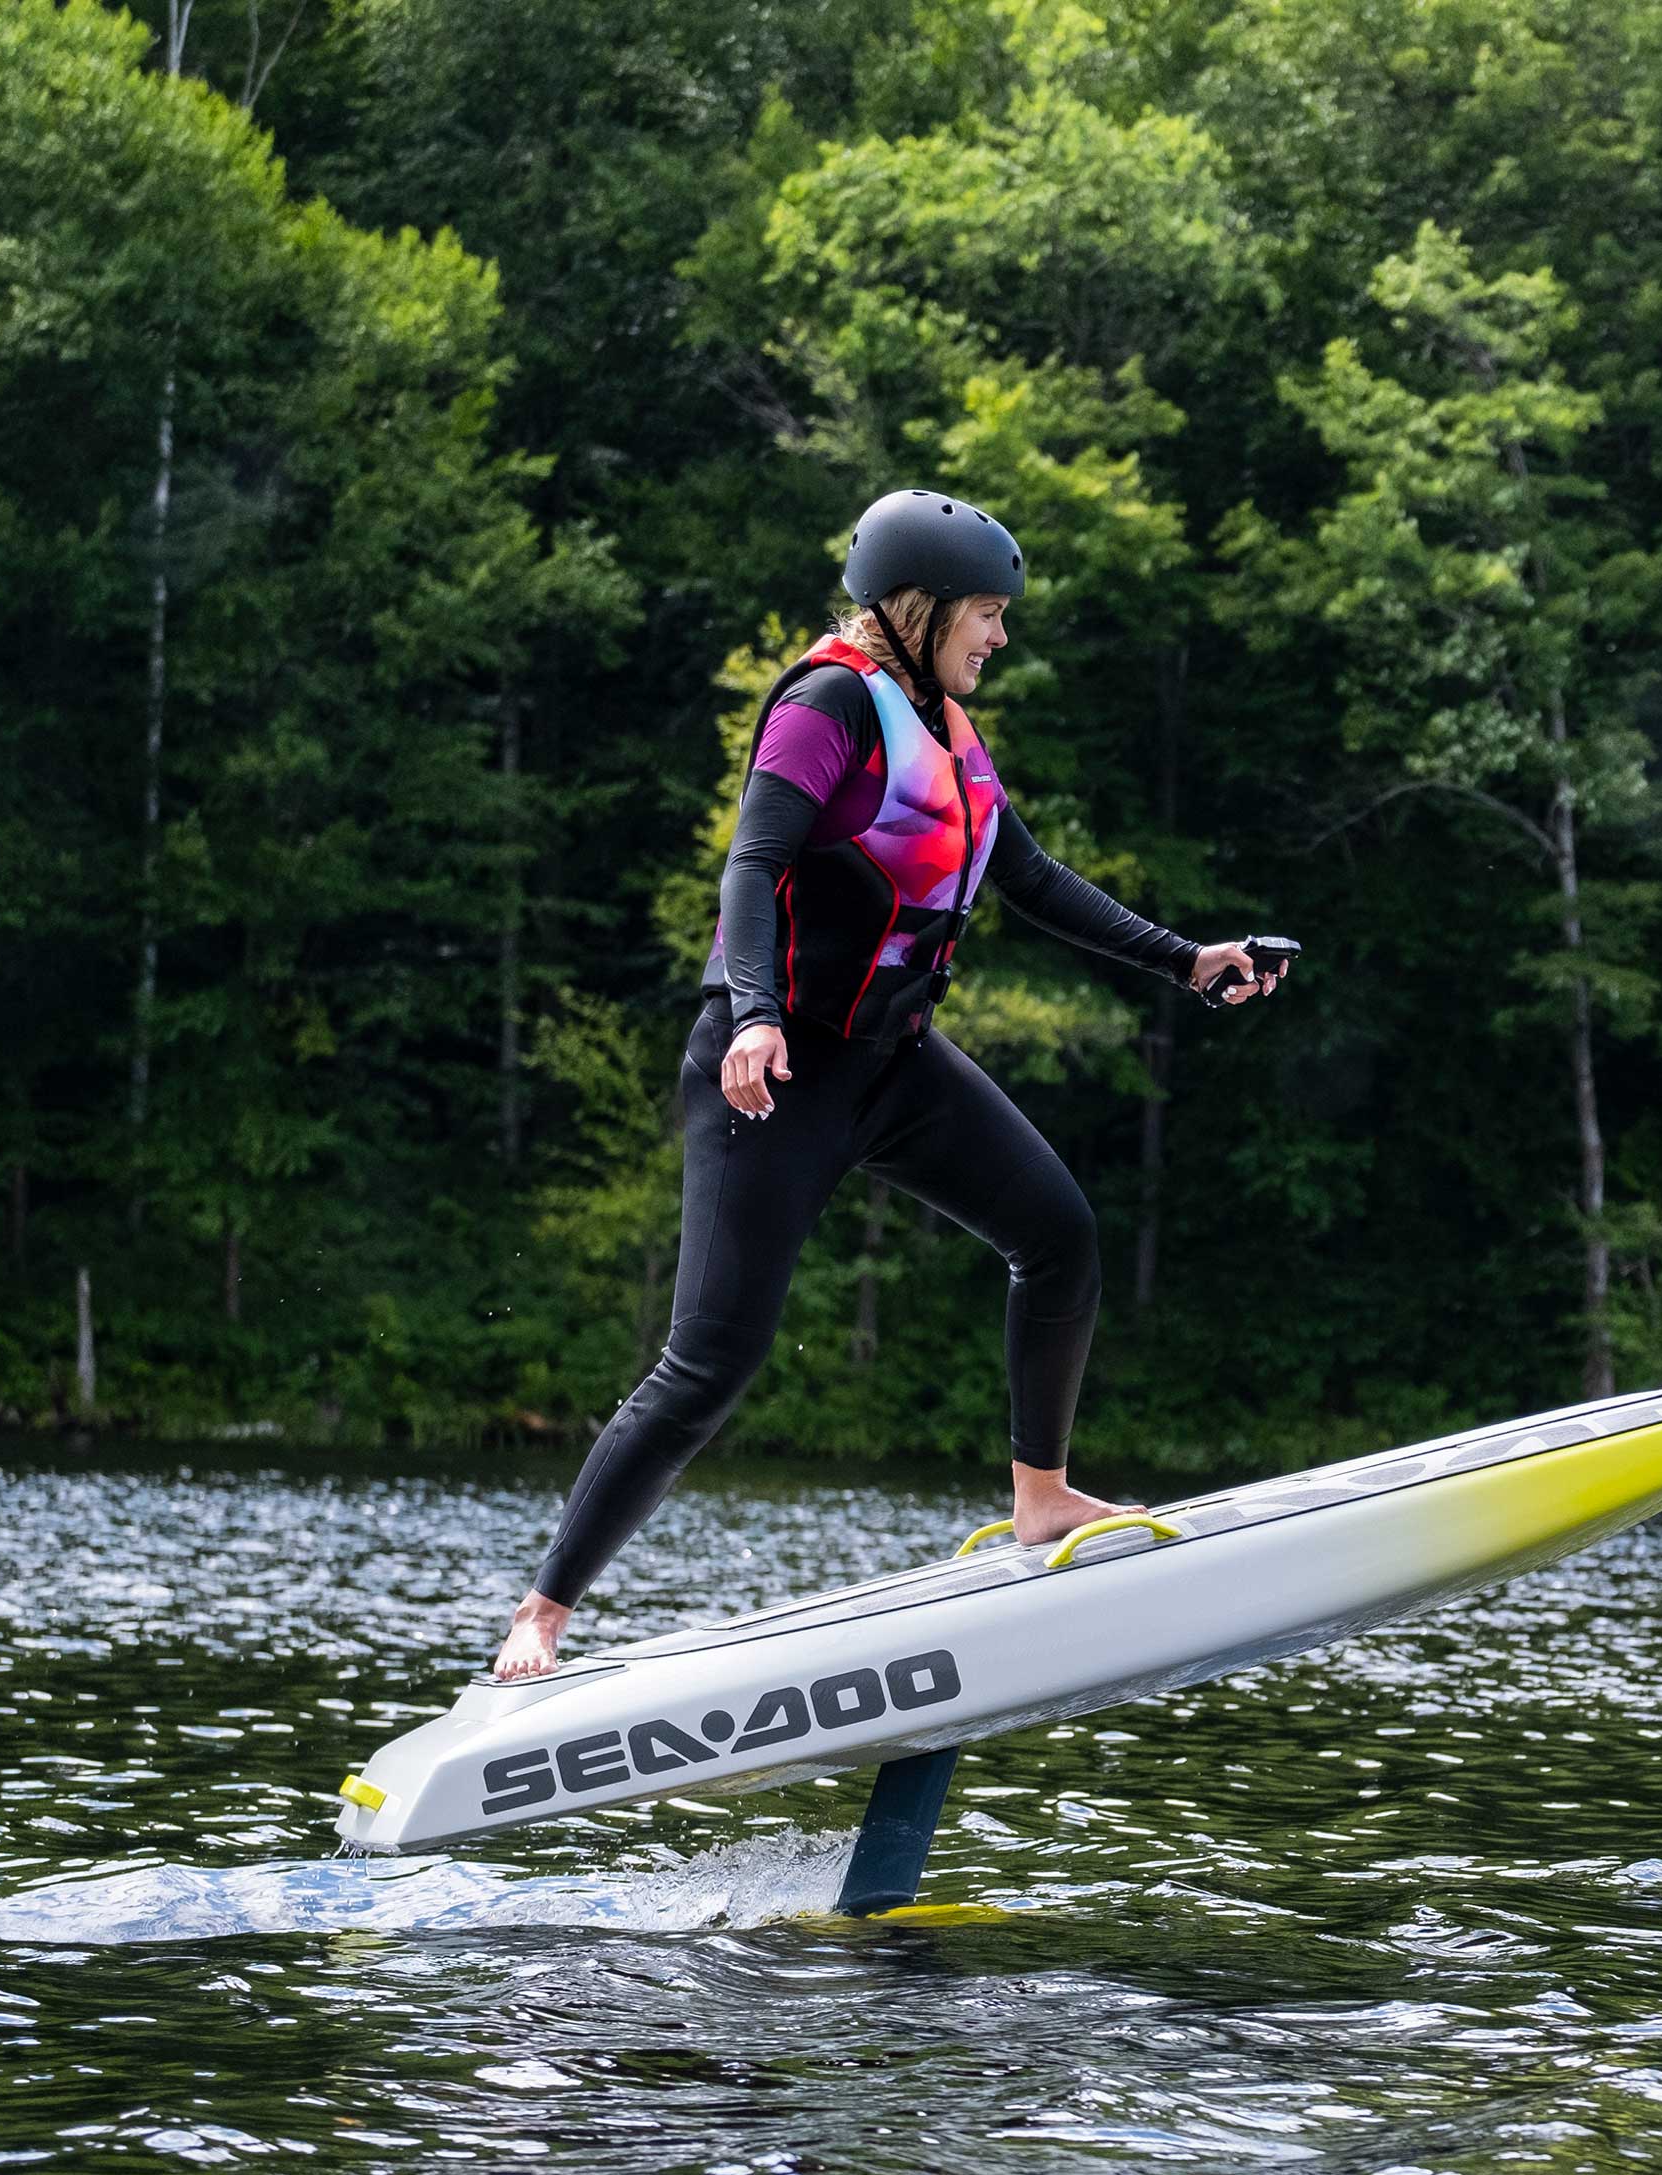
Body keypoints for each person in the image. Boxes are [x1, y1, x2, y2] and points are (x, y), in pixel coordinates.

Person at [492, 490, 1281, 1680]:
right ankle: (541, 1614)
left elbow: (1029, 875)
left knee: (1058, 1233)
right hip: (776, 1067)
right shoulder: (828, 707)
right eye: (985, 614)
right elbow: (754, 865)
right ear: (917, 612)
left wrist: (1186, 958)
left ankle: (1043, 1498)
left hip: (892, 1061)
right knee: (712, 1357)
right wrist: (753, 1015)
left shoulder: (948, 727)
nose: (999, 638)